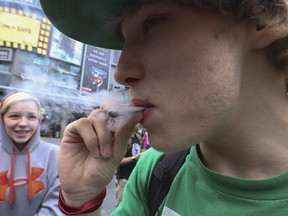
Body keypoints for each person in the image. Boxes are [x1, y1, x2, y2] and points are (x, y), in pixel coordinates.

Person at [40, 0, 288, 215]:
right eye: (124, 41)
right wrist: (81, 199)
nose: (121, 72)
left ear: (258, 18)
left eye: (152, 23)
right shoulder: (155, 171)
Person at [0, 91, 62, 215]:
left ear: (39, 120)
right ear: (2, 119)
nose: (23, 123)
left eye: (31, 117)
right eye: (15, 116)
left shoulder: (54, 155)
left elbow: (57, 204)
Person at [115, 123, 147, 206]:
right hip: (124, 178)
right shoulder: (124, 138)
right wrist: (135, 157)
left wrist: (143, 152)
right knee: (122, 205)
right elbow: (118, 161)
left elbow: (141, 151)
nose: (138, 123)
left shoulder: (138, 137)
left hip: (135, 177)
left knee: (133, 205)